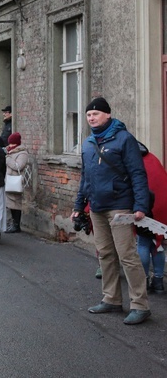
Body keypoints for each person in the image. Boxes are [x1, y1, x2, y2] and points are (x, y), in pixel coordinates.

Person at [72, 97, 151, 325]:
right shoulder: (88, 144)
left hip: (119, 205)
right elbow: (85, 177)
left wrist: (140, 206)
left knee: (127, 255)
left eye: (95, 114)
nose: (91, 118)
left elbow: (138, 173)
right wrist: (79, 206)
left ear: (107, 115)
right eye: (88, 115)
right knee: (105, 254)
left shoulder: (124, 139)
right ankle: (111, 299)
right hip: (97, 206)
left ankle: (140, 305)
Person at [135, 142, 166, 294]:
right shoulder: (153, 159)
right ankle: (159, 282)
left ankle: (144, 280)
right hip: (162, 208)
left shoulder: (133, 163)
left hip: (144, 208)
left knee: (143, 244)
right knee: (157, 244)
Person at [4, 132, 29, 233]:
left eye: (12, 143)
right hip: (9, 180)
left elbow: (18, 166)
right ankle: (12, 223)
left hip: (16, 181)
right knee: (10, 204)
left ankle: (16, 225)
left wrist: (8, 159)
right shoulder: (10, 152)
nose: (10, 145)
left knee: (16, 203)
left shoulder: (22, 153)